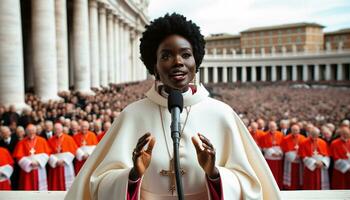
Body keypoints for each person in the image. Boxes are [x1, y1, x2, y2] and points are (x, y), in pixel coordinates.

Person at [65, 13, 280, 200]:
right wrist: (132, 176)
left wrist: (214, 173)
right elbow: (99, 185)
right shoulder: (131, 115)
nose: (178, 62)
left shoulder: (222, 114)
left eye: (186, 55)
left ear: (196, 62)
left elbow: (250, 187)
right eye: (166, 56)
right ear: (155, 66)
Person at [12, 124, 51, 190]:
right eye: (29, 131)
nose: (31, 132)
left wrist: (39, 162)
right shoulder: (21, 143)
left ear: (35, 131)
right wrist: (29, 163)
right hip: (27, 170)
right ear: (26, 132)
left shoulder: (42, 140)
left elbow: (47, 154)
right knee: (27, 186)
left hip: (39, 168)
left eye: (32, 130)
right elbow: (18, 158)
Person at [47, 123, 78, 190]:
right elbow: (47, 153)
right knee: (55, 184)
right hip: (55, 165)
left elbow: (74, 151)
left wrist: (64, 160)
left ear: (61, 129)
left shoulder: (69, 138)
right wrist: (56, 161)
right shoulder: (50, 140)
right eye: (55, 129)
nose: (57, 131)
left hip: (66, 164)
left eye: (58, 129)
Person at [259, 121, 284, 189]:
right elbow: (263, 147)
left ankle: (279, 187)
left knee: (279, 174)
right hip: (270, 158)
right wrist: (272, 153)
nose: (272, 128)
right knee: (271, 174)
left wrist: (279, 153)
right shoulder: (264, 136)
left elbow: (283, 146)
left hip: (278, 158)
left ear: (276, 127)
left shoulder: (281, 135)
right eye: (271, 127)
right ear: (269, 127)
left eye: (273, 127)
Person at [281, 124, 306, 190]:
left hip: (300, 162)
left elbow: (305, 149)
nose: (295, 132)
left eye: (296, 130)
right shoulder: (286, 138)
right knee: (291, 177)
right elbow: (284, 149)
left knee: (299, 177)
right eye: (293, 130)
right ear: (291, 131)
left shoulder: (303, 138)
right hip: (290, 161)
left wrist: (299, 154)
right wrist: (292, 155)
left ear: (299, 130)